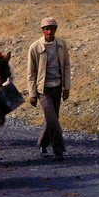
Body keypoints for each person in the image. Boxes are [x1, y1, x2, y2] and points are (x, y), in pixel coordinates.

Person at [27, 16, 71, 161]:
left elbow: (66, 66)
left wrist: (67, 87)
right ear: (42, 30)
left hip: (57, 87)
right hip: (43, 89)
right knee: (52, 119)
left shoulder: (62, 44)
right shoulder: (35, 47)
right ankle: (59, 150)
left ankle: (41, 144)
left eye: (52, 29)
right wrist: (32, 94)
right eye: (46, 29)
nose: (49, 32)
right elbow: (31, 73)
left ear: (55, 30)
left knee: (52, 119)